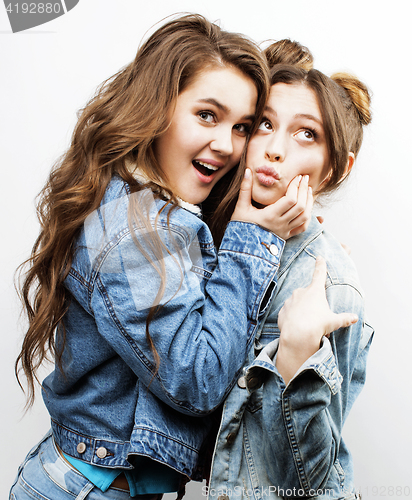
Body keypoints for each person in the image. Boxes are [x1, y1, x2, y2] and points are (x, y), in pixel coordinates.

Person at [10, 15, 321, 500]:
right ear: (155, 109)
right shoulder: (136, 228)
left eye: (242, 126)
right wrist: (247, 242)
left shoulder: (161, 213)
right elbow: (198, 382)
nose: (226, 145)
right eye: (206, 115)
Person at [207, 60, 374, 499]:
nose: (275, 148)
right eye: (264, 124)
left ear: (337, 168)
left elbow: (305, 481)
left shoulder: (329, 285)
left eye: (306, 134)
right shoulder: (229, 239)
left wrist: (297, 354)